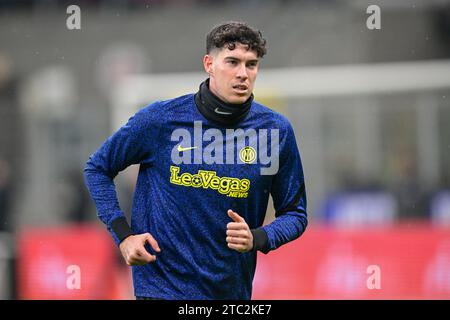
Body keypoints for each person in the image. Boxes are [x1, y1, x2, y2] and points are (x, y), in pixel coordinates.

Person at [84, 21, 308, 300]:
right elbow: (97, 167)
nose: (243, 74)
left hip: (230, 293)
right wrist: (123, 235)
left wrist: (258, 238)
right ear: (209, 64)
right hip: (161, 288)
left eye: (251, 65)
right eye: (232, 62)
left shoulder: (275, 131)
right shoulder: (161, 120)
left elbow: (295, 214)